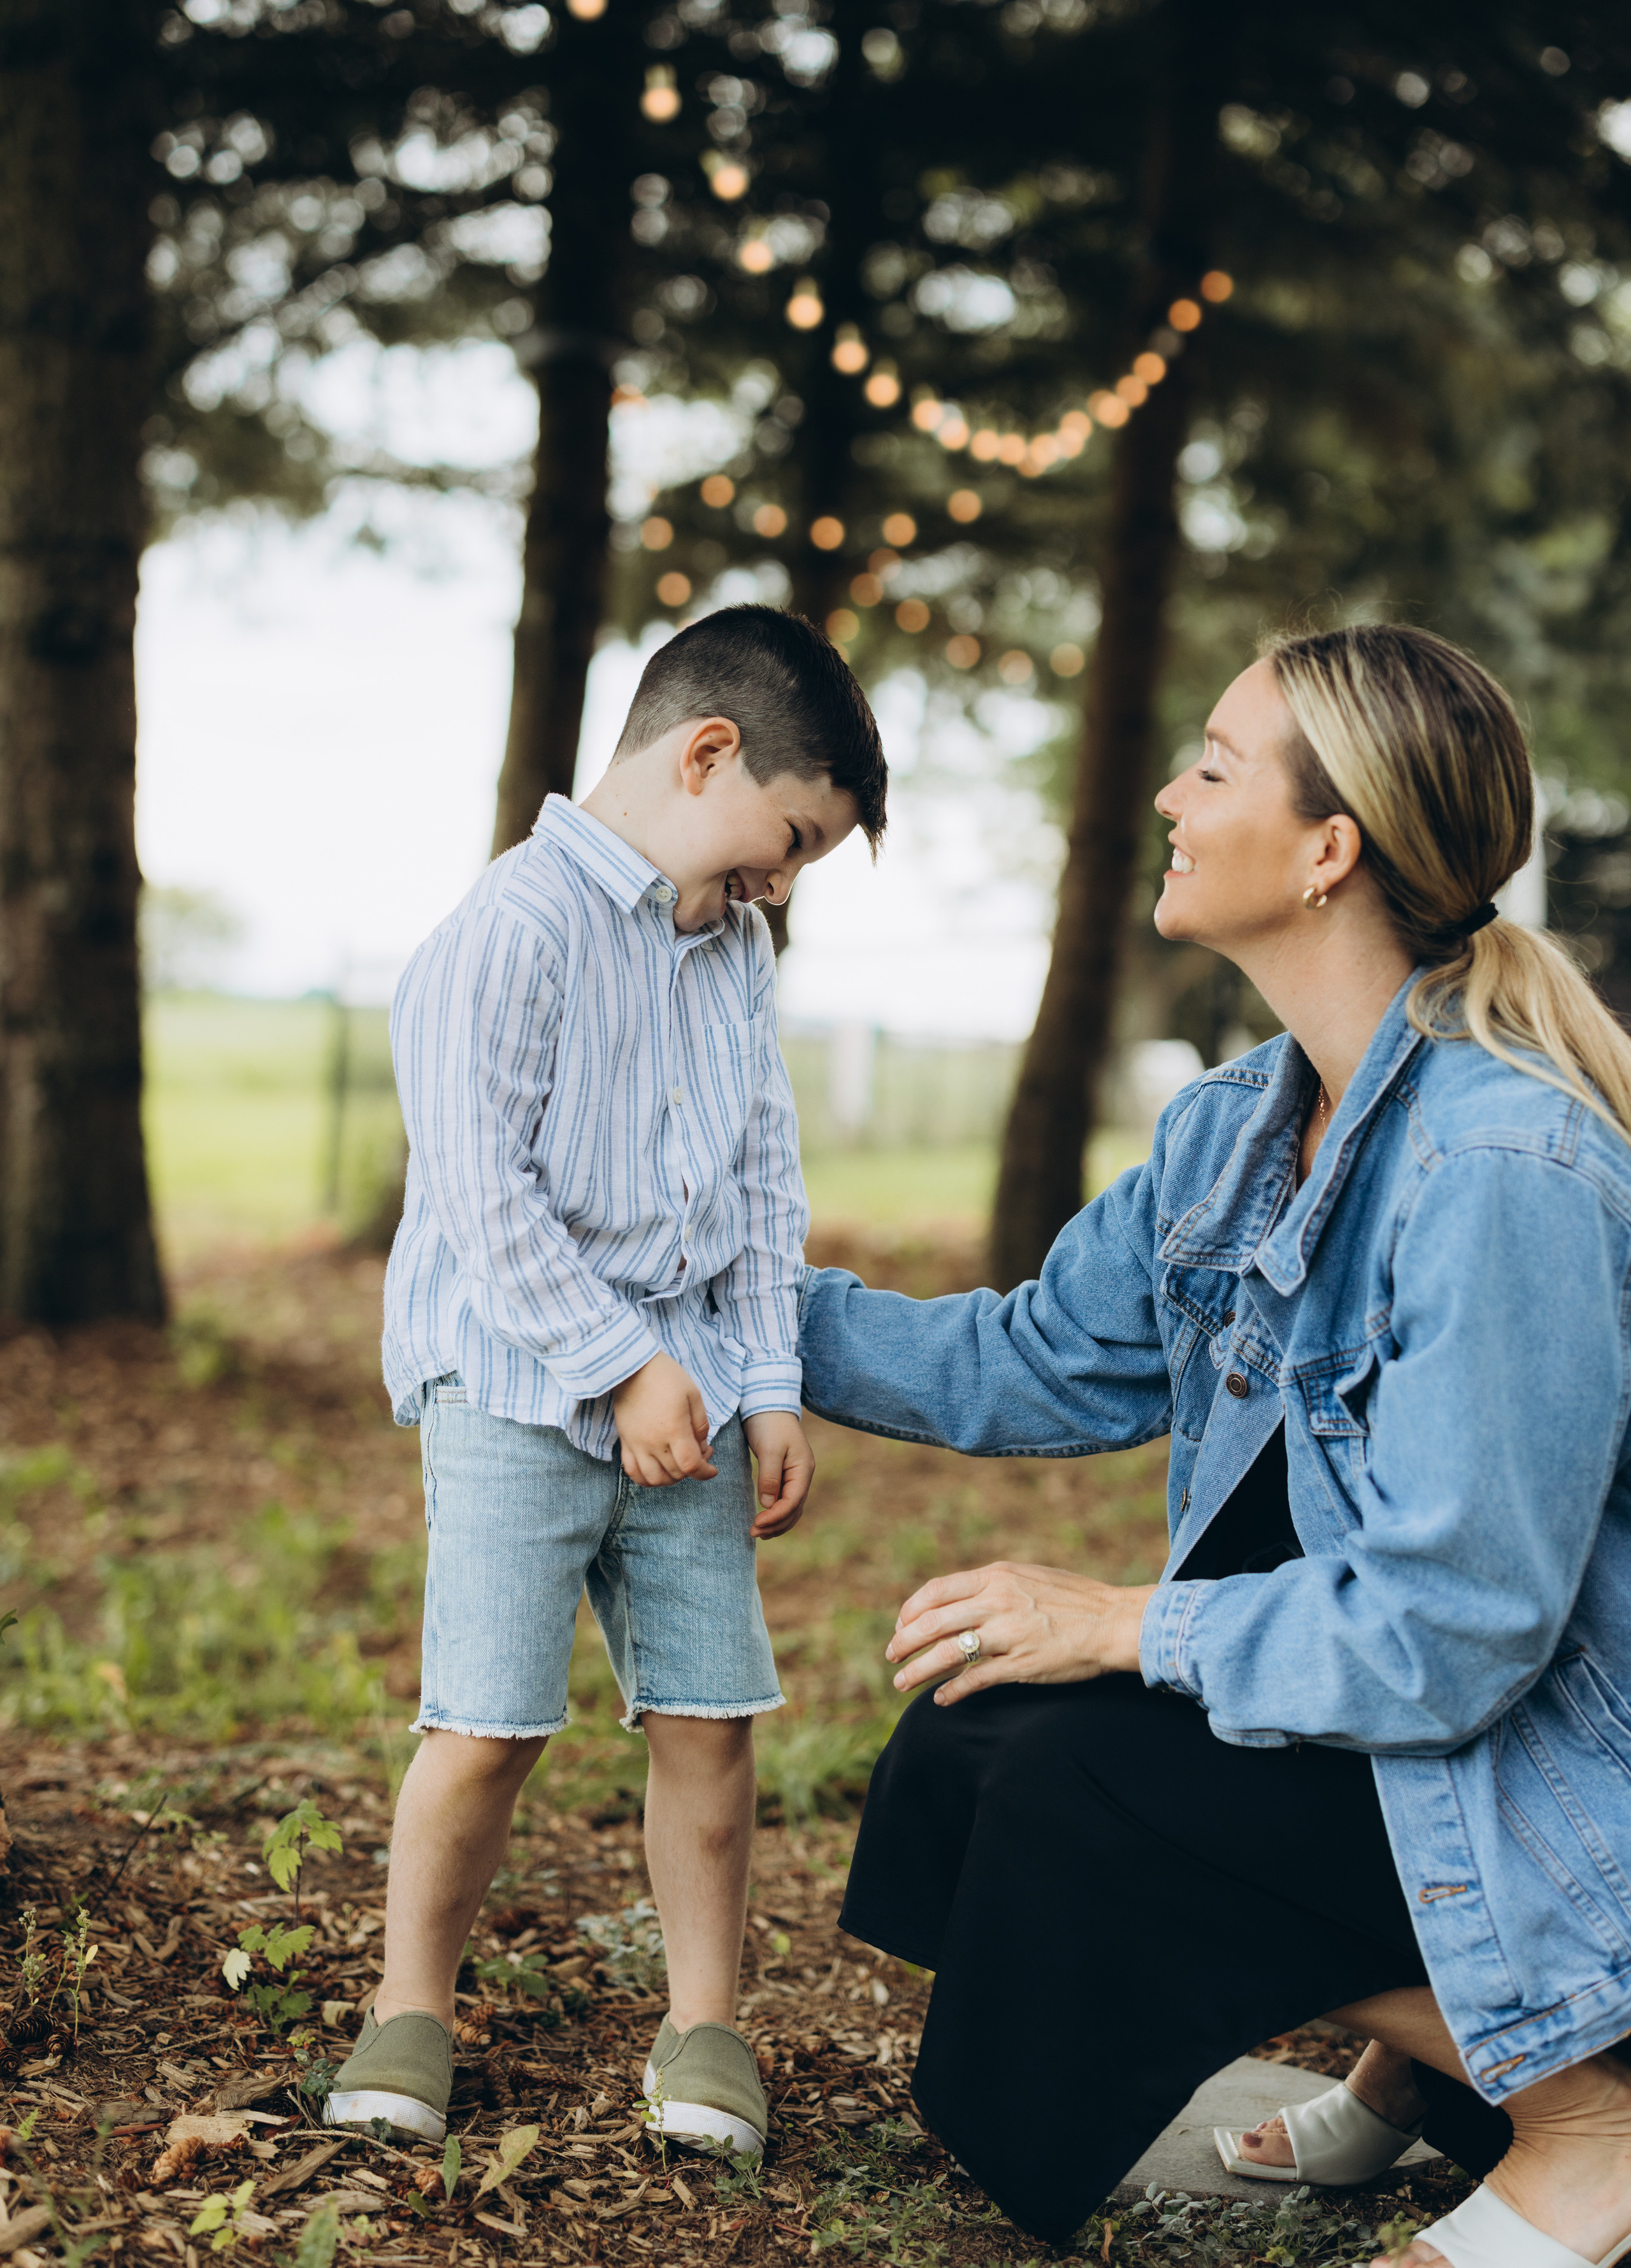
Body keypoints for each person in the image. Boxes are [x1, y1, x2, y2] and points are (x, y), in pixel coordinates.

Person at [798, 625, 1631, 2268]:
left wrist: (1124, 1623)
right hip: (1410, 1716)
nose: (1170, 798)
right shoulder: (1239, 1122)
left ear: (1327, 853)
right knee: (977, 1738)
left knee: (1081, 1785)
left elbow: (1459, 1627)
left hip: (1550, 1771)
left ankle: (1582, 2115)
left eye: (1213, 766)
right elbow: (1034, 1357)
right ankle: (1419, 2069)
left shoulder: (1501, 1168)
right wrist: (739, 1319)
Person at [327, 606, 887, 2159]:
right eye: (789, 839)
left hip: (688, 1396)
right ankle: (408, 2006)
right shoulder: (509, 930)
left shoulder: (736, 952)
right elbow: (480, 1195)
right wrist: (620, 1366)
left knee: (710, 1717)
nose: (780, 882)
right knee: (487, 1725)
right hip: (517, 1388)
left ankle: (703, 2027)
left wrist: (762, 1384)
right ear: (706, 754)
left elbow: (761, 1180)